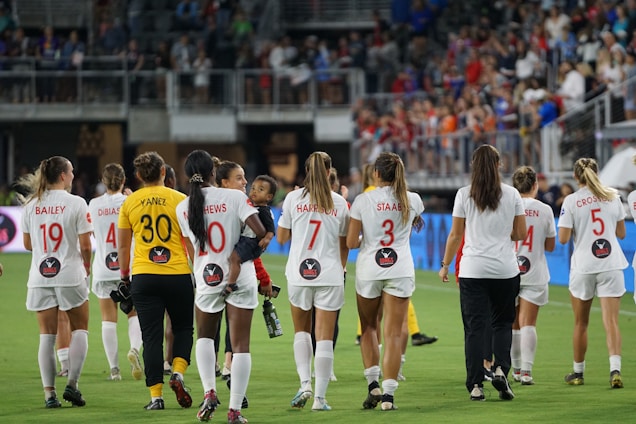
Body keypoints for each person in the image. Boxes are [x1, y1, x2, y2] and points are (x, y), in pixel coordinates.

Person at [177, 150, 268, 423]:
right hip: (239, 275)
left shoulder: (182, 207)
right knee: (240, 346)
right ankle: (234, 410)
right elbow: (260, 230)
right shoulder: (235, 197)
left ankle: (209, 393)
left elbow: (191, 246)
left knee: (204, 338)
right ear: (213, 173)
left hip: (207, 275)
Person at [439, 145, 526, 401]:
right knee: (502, 324)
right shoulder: (512, 195)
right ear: (499, 165)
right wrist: (500, 234)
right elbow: (520, 234)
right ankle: (501, 369)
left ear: (473, 166)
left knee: (475, 329)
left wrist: (445, 264)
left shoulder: (464, 195)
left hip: (473, 269)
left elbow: (456, 235)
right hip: (505, 269)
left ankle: (476, 385)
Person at [117, 151, 194, 410]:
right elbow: (190, 241)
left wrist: (125, 277)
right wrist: (197, 271)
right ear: (164, 172)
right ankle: (178, 373)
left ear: (138, 176)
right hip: (177, 273)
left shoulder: (129, 203)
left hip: (144, 274)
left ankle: (155, 397)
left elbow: (123, 246)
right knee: (183, 329)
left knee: (151, 337)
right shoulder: (181, 199)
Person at [347, 151, 424, 410]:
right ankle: (389, 397)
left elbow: (350, 242)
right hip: (400, 268)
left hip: (370, 269)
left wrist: (367, 239)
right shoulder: (413, 199)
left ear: (376, 173)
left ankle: (373, 385)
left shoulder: (362, 201)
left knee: (369, 327)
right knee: (393, 333)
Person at [277, 151, 350, 411]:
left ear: (306, 171)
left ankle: (304, 383)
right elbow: (345, 244)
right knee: (325, 337)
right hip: (330, 273)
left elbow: (282, 237)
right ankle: (319, 399)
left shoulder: (293, 198)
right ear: (330, 172)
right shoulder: (340, 202)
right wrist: (341, 269)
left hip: (299, 272)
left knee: (301, 332)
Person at [19, 156, 93, 407]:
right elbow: (85, 245)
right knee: (80, 329)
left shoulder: (30, 204)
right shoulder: (77, 203)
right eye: (71, 171)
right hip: (70, 274)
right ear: (63, 175)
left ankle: (49, 395)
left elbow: (28, 244)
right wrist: (87, 267)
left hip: (40, 276)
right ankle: (72, 385)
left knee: (46, 337)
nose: (73, 175)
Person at [558, 158, 627, 389]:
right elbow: (621, 233)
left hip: (584, 266)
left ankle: (578, 373)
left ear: (576, 177)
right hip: (610, 263)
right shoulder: (612, 196)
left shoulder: (571, 200)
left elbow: (564, 238)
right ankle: (615, 370)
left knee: (581, 323)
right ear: (597, 174)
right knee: (612, 322)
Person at [88, 163, 143, 381]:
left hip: (103, 267)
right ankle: (135, 350)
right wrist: (130, 195)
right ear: (123, 181)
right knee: (134, 313)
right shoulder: (130, 201)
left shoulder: (93, 204)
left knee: (107, 320)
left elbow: (91, 233)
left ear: (103, 181)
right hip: (127, 267)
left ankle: (114, 369)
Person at [510, 166, 556, 385]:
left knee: (512, 323)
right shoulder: (545, 209)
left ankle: (516, 369)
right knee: (528, 323)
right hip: (535, 270)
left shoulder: (508, 205)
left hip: (509, 269)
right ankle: (527, 372)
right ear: (535, 186)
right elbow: (551, 245)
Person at [163, 164, 177, 375]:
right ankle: (169, 361)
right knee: (174, 322)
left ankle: (157, 362)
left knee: (152, 322)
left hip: (145, 266)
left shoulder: (136, 200)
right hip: (175, 267)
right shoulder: (179, 201)